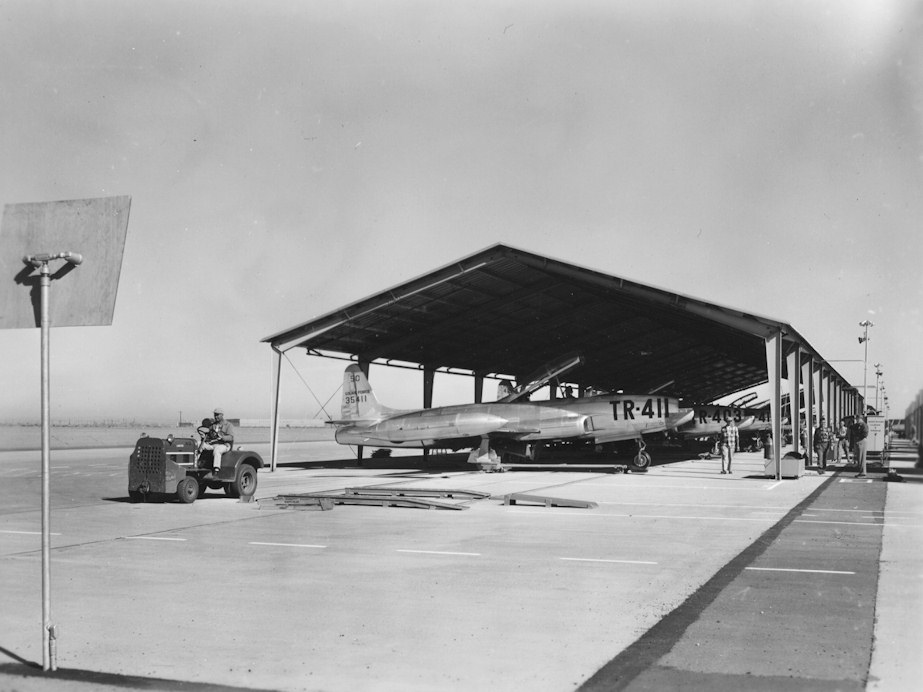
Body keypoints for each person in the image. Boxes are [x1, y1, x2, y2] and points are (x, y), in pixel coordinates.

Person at [197, 407, 234, 473]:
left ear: (222, 415)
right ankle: (195, 463)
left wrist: (222, 437)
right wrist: (204, 436)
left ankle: (216, 469)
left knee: (217, 449)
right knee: (197, 444)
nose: (215, 417)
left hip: (224, 445)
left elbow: (231, 437)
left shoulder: (228, 425)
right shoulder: (212, 425)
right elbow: (208, 435)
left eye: (217, 415)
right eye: (215, 415)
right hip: (212, 444)